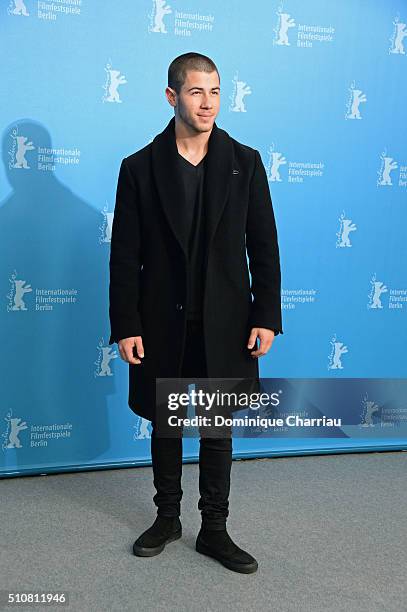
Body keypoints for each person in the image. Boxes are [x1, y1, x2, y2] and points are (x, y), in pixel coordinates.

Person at [108, 52, 283, 574]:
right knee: (166, 422)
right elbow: (124, 255)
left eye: (215, 92)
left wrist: (266, 314)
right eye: (195, 92)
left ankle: (214, 529)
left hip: (227, 319)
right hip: (161, 318)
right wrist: (126, 324)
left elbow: (264, 246)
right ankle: (166, 518)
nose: (207, 104)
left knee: (216, 425)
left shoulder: (245, 162)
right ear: (172, 97)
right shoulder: (139, 167)